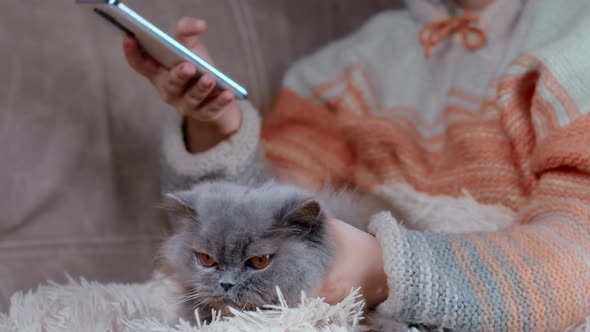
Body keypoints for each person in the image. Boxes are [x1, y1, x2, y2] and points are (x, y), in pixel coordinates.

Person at [123, 0, 590, 330]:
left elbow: (582, 242)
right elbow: (260, 228)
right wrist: (216, 124)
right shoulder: (337, 69)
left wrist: (386, 271)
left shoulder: (577, 38)